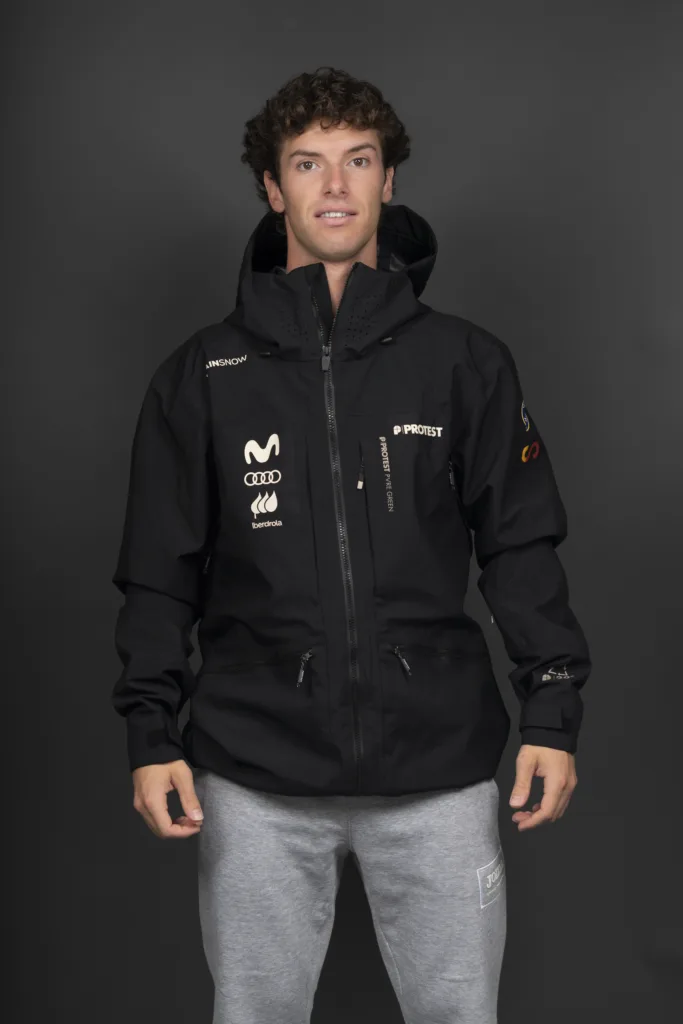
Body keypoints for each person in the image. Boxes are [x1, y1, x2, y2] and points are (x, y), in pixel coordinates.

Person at [111, 66, 591, 1024]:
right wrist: (150, 734)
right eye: (307, 163)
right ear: (272, 187)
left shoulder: (463, 361)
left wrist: (550, 709)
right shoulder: (201, 375)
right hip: (254, 772)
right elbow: (161, 574)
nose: (334, 185)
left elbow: (520, 545)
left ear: (388, 179)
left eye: (357, 160)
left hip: (436, 769)